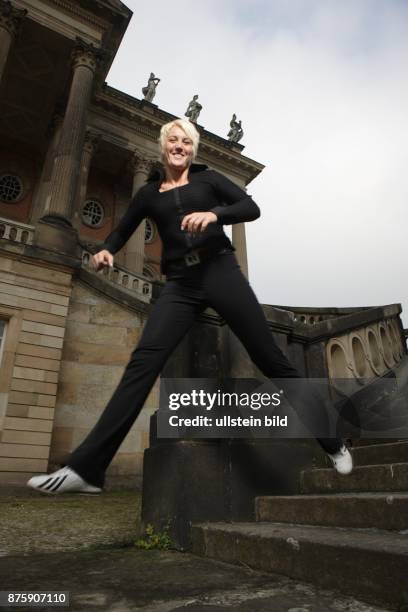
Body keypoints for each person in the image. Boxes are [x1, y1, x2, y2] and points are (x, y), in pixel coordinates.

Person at [28, 118, 352, 495]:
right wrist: (107, 250)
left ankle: (332, 442)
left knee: (271, 360)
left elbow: (250, 207)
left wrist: (216, 214)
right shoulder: (149, 193)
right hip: (180, 284)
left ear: (192, 149)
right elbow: (122, 229)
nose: (179, 146)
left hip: (220, 271)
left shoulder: (209, 181)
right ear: (163, 146)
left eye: (186, 141)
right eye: (173, 140)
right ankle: (86, 469)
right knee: (143, 363)